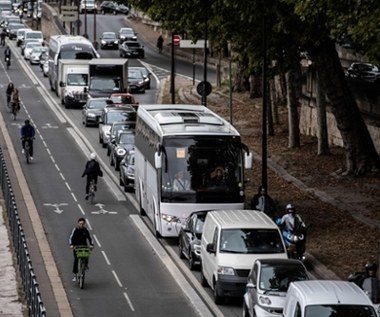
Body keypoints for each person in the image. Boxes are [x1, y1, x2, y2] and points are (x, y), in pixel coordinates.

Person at [69, 217, 94, 282]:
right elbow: (71, 238)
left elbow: (90, 238)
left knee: (86, 255)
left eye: (82, 224)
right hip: (76, 247)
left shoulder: (86, 230)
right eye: (80, 224)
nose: (81, 225)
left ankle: (85, 265)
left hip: (84, 246)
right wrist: (71, 245)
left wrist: (91, 245)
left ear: (84, 224)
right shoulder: (75, 230)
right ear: (78, 223)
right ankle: (75, 274)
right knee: (76, 259)